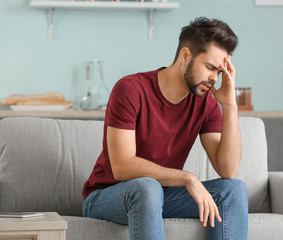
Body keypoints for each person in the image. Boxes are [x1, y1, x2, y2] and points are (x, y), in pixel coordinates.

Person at [82, 17, 248, 240]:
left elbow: (227, 170)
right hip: (106, 197)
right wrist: (188, 178)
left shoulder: (205, 102)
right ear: (185, 55)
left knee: (233, 191)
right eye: (210, 67)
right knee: (147, 188)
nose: (214, 79)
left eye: (219, 72)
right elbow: (122, 166)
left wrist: (229, 105)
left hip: (161, 196)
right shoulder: (131, 89)